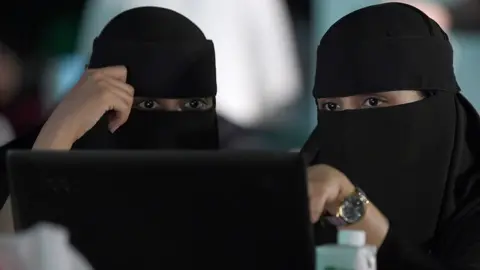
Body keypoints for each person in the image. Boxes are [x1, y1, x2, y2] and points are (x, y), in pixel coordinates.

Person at [0, 7, 220, 230]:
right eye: (147, 104)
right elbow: (13, 252)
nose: (173, 122)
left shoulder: (236, 190)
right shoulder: (14, 170)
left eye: (194, 104)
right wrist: (62, 128)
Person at [302, 3, 480, 269]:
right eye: (331, 107)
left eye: (374, 102)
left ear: (434, 102)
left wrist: (350, 208)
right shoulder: (309, 193)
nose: (349, 125)